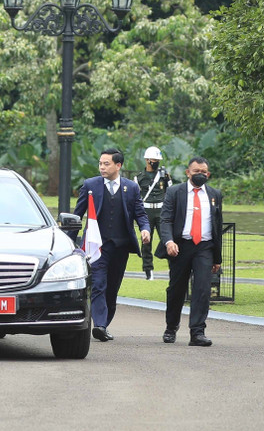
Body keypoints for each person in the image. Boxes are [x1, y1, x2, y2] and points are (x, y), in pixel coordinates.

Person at [72, 148, 151, 342]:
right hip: (97, 247)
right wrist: (69, 241)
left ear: (118, 165)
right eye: (100, 163)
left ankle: (103, 325)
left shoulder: (131, 188)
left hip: (121, 247)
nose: (102, 167)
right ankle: (99, 325)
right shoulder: (90, 185)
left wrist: (145, 229)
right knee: (98, 284)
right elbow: (77, 215)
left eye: (106, 164)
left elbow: (140, 213)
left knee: (112, 288)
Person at [159, 157, 223, 347]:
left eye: (204, 172)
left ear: (208, 174)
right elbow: (166, 219)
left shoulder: (214, 194)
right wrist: (169, 241)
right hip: (180, 246)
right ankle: (171, 327)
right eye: (196, 171)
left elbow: (217, 226)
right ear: (188, 173)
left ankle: (197, 332)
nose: (200, 175)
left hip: (204, 247)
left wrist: (217, 257)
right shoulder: (174, 192)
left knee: (202, 289)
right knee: (176, 289)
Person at [133, 146, 173, 280]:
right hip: (146, 211)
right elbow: (136, 196)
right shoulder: (139, 177)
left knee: (167, 239)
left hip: (161, 210)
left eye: (157, 160)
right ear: (147, 160)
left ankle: (172, 268)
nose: (156, 163)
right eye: (154, 160)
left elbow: (170, 191)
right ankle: (148, 270)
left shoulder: (164, 175)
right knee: (146, 242)